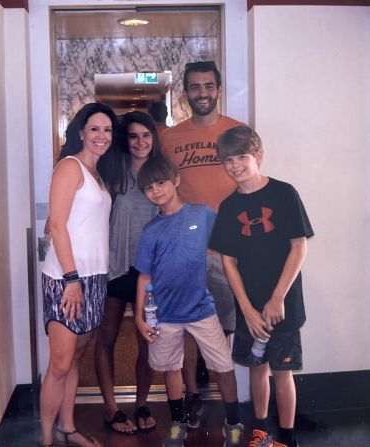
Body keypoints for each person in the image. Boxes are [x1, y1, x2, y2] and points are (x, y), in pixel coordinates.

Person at [209, 125, 314, 447]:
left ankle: (288, 437)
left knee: (283, 371)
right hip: (249, 306)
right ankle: (260, 432)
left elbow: (299, 246)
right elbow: (228, 261)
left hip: (283, 304)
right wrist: (248, 310)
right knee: (257, 367)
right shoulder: (228, 207)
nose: (235, 165)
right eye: (227, 159)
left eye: (242, 156)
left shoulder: (284, 194)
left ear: (258, 156)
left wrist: (277, 298)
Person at [133, 157, 245, 447]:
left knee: (223, 367)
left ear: (176, 180)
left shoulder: (201, 215)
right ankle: (177, 423)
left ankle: (233, 422)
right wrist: (139, 317)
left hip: (202, 310)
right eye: (149, 187)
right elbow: (144, 277)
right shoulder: (150, 232)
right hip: (165, 315)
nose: (156, 190)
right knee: (171, 368)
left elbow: (230, 246)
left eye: (161, 183)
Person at [159, 60, 244, 427]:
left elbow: (251, 183)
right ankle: (192, 393)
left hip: (228, 251)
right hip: (186, 251)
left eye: (209, 86)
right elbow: (158, 185)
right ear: (186, 92)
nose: (203, 93)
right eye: (195, 87)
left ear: (219, 89)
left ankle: (219, 390)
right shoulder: (169, 138)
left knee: (223, 326)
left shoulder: (239, 131)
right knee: (187, 325)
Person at [39, 102, 118, 447]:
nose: (102, 136)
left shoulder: (98, 174)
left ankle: (67, 429)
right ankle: (45, 437)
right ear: (81, 132)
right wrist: (72, 279)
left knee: (75, 359)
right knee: (59, 363)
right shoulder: (69, 167)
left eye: (107, 130)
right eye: (95, 129)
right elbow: (56, 224)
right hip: (66, 278)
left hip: (95, 276)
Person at [94, 111, 160, 435]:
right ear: (126, 140)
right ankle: (111, 408)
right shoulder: (111, 171)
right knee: (106, 338)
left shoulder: (161, 172)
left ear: (153, 137)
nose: (140, 142)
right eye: (133, 136)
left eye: (145, 135)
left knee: (146, 341)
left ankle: (141, 403)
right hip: (115, 267)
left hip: (150, 270)